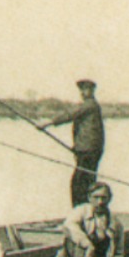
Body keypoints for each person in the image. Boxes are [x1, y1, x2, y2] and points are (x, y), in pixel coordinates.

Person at [42, 78, 107, 206]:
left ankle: (82, 211)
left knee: (79, 183)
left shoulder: (90, 105)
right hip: (85, 150)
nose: (83, 93)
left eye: (86, 90)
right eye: (81, 90)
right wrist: (76, 148)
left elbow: (70, 115)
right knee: (84, 182)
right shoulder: (89, 105)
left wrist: (47, 123)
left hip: (89, 151)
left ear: (92, 91)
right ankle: (84, 211)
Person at [57, 181, 127, 257]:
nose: (100, 202)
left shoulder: (115, 224)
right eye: (96, 197)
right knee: (73, 239)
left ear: (110, 199)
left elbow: (119, 253)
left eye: (104, 198)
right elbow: (69, 226)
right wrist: (87, 245)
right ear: (89, 198)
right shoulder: (81, 211)